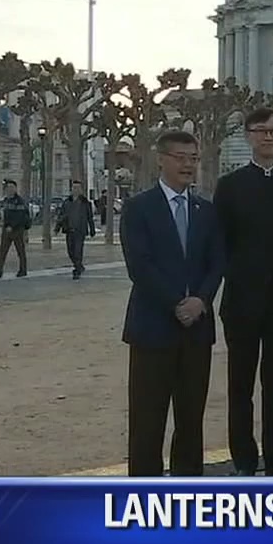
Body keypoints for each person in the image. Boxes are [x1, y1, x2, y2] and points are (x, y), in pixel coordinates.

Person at [119, 130, 226, 477]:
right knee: (148, 419)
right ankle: (144, 492)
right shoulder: (138, 208)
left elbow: (217, 262)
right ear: (160, 160)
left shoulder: (206, 211)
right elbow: (140, 265)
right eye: (180, 157)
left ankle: (188, 487)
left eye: (193, 158)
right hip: (153, 328)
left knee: (191, 418)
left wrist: (201, 301)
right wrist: (176, 304)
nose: (187, 165)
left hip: (197, 330)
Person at [213, 107, 273, 477]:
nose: (268, 137)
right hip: (240, 300)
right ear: (248, 135)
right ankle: (243, 459)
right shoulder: (230, 185)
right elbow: (219, 242)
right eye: (261, 131)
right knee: (240, 385)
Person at [0, 179, 31, 278]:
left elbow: (20, 216)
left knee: (20, 251)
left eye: (12, 188)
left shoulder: (19, 201)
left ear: (16, 189)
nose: (10, 190)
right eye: (8, 188)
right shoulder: (6, 200)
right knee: (2, 251)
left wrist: (12, 226)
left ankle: (23, 270)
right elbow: (4, 214)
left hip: (17, 229)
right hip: (6, 229)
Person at [56, 180, 96, 279]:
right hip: (69, 230)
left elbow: (90, 217)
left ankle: (77, 269)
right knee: (70, 251)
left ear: (81, 190)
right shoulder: (67, 202)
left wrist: (92, 229)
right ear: (71, 189)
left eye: (78, 188)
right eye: (74, 188)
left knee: (78, 251)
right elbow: (61, 216)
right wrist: (57, 227)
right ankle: (79, 265)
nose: (76, 190)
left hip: (80, 231)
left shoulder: (85, 203)